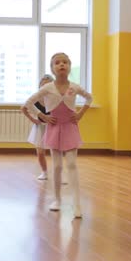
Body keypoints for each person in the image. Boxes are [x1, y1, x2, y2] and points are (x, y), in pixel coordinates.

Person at [24, 53, 92, 218]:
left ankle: (76, 204)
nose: (61, 65)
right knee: (57, 166)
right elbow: (28, 104)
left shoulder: (74, 87)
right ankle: (57, 200)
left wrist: (81, 113)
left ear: (69, 66)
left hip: (70, 128)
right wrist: (43, 116)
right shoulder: (47, 88)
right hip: (54, 129)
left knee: (72, 165)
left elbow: (89, 98)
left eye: (65, 62)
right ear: (52, 68)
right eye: (57, 63)